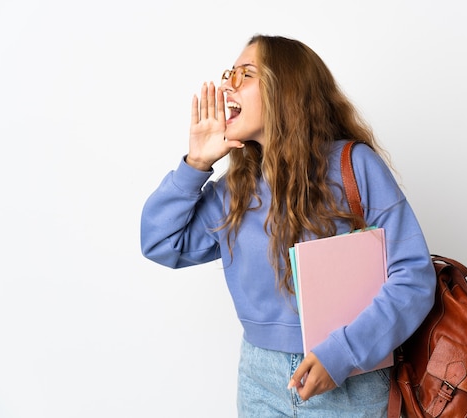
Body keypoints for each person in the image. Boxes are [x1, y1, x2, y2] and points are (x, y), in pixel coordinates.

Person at [140, 34, 436, 417]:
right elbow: (162, 244)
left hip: (350, 379)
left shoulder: (354, 166)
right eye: (230, 72)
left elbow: (413, 276)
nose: (228, 83)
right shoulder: (236, 187)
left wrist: (342, 354)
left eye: (246, 74)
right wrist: (195, 163)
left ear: (287, 91)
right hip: (259, 379)